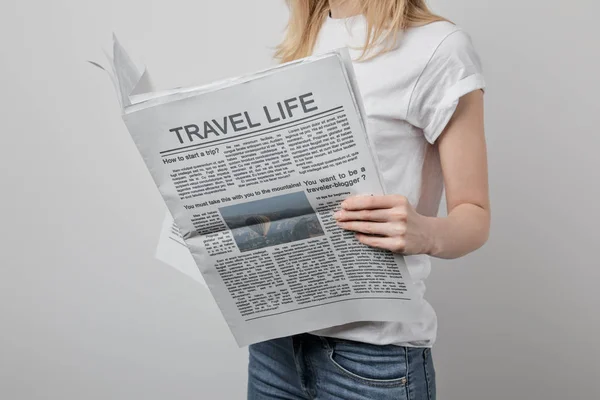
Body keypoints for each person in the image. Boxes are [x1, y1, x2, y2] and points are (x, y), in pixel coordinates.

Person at [248, 0, 490, 398]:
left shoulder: (439, 47)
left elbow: (475, 217)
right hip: (275, 347)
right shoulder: (300, 42)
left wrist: (424, 232)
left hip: (372, 361)